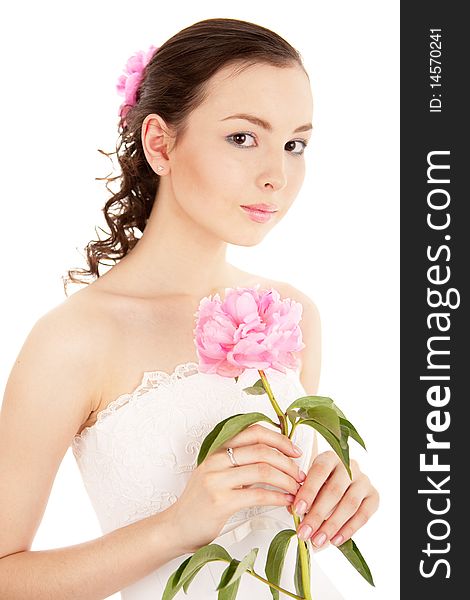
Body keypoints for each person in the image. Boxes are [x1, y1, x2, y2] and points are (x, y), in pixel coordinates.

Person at [0, 17, 379, 599]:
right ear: (160, 143)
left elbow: (284, 532)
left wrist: (336, 489)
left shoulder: (289, 313)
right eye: (242, 137)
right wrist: (175, 528)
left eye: (295, 144)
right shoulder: (75, 339)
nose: (277, 175)